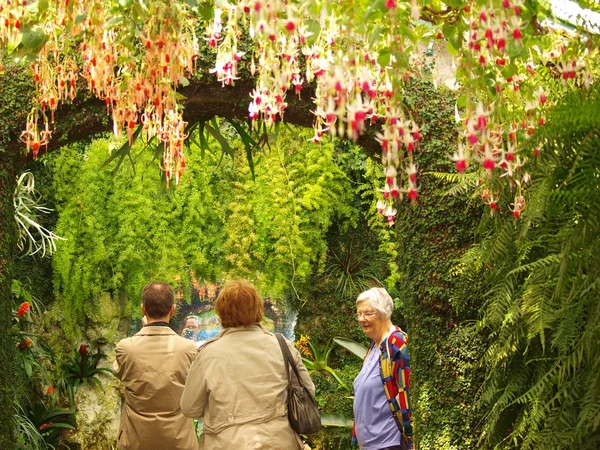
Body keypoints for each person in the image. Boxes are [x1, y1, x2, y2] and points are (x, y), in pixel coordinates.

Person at [180, 279, 314, 449]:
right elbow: (307, 390)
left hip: (226, 443)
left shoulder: (208, 354)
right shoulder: (282, 345)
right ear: (259, 308)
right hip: (279, 441)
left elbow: (190, 408)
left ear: (221, 312)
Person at [113, 282, 199, 450]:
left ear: (143, 309)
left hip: (136, 441)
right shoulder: (188, 349)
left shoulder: (126, 348)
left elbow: (119, 372)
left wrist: (146, 330)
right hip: (179, 441)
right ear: (172, 310)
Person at [352, 287, 413, 450]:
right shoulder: (375, 346)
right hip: (370, 444)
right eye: (359, 314)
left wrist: (411, 440)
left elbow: (406, 393)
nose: (361, 319)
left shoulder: (396, 344)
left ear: (383, 313)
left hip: (388, 443)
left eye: (367, 313)